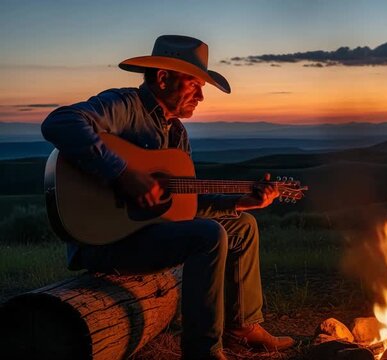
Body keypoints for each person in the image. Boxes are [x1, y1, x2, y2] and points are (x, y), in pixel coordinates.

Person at [41, 35, 295, 360]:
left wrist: (238, 202)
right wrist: (123, 174)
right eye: (194, 84)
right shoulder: (125, 106)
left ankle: (242, 327)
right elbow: (60, 123)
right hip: (104, 242)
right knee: (209, 236)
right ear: (163, 78)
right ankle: (202, 351)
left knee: (242, 226)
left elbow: (181, 208)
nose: (201, 96)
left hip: (149, 233)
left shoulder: (177, 135)